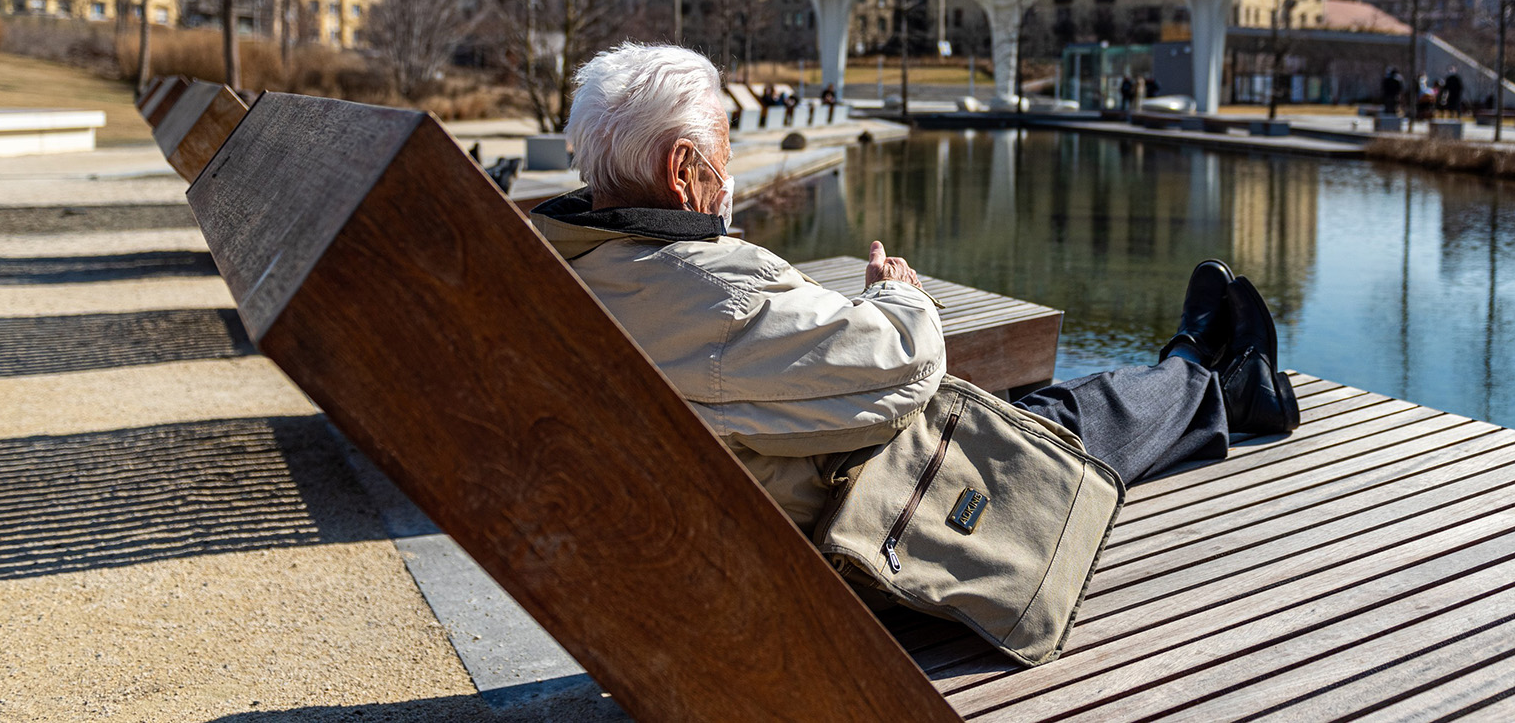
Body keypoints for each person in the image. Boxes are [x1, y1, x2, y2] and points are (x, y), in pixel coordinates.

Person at [531, 43, 1296, 532]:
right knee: (1060, 421)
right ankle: (1204, 366)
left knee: (1028, 411)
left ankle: (1215, 373)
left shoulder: (569, 274)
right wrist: (900, 295)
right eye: (724, 150)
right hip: (877, 523)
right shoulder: (716, 296)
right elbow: (905, 363)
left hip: (798, 491)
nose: (731, 170)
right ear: (681, 171)